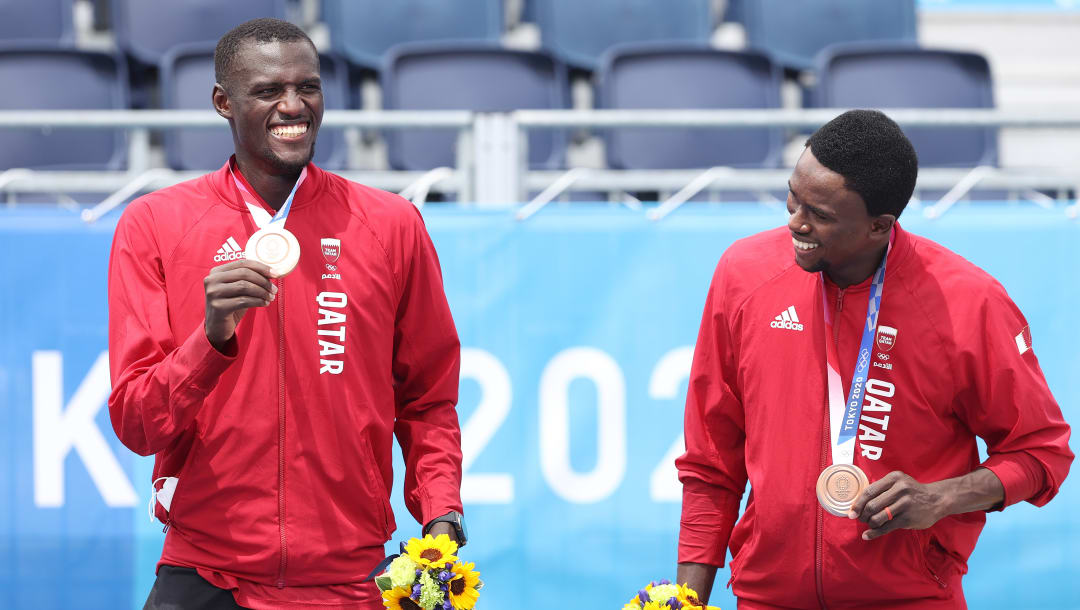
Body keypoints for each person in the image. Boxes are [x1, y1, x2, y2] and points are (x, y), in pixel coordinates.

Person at [107, 19, 466, 609]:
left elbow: (428, 398)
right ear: (224, 102)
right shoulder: (155, 226)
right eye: (269, 91)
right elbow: (137, 424)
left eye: (309, 87)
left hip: (351, 581)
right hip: (207, 574)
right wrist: (210, 339)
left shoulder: (391, 224)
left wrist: (442, 514)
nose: (293, 106)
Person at [674, 109, 1073, 608]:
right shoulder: (743, 274)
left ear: (879, 226)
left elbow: (1042, 453)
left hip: (909, 598)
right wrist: (684, 601)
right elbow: (712, 462)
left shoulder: (968, 303)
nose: (794, 223)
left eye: (819, 215)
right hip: (766, 596)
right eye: (792, 199)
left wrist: (941, 498)